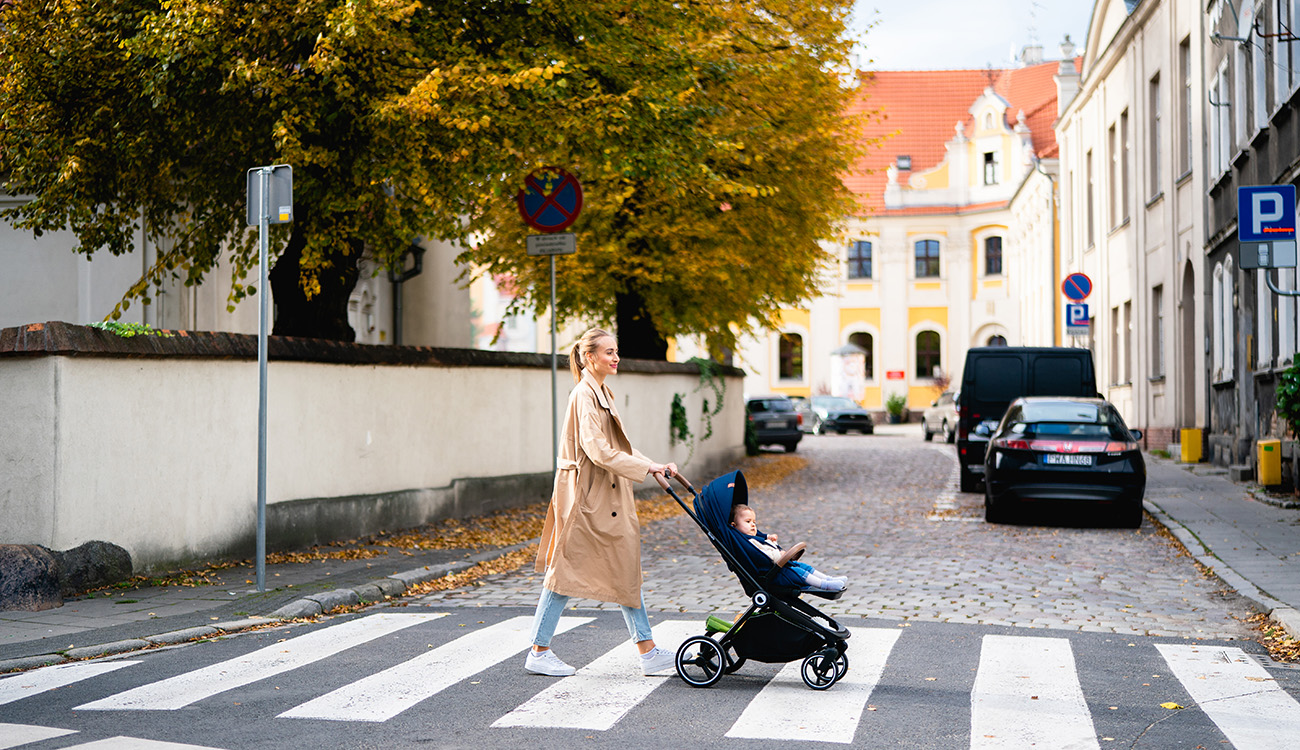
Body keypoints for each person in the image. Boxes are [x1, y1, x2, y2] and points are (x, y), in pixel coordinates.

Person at [526, 328, 679, 677]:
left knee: (624, 565)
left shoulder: (601, 391)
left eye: (616, 351)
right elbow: (596, 450)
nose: (615, 357)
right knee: (565, 571)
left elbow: (618, 449)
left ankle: (648, 649)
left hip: (602, 494)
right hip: (585, 495)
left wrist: (651, 464)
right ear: (589, 357)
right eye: (608, 352)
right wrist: (646, 467)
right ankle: (539, 649)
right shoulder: (584, 394)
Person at [730, 505, 847, 592]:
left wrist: (770, 540)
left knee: (804, 567)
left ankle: (829, 579)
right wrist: (780, 554)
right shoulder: (748, 543)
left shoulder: (755, 538)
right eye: (748, 521)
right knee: (799, 572)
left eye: (754, 522)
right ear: (734, 526)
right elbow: (764, 556)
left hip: (778, 569)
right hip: (771, 576)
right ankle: (824, 585)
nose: (753, 525)